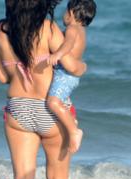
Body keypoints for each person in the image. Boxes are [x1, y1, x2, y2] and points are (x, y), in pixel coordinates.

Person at [0, 0, 86, 179]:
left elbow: (2, 77)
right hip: (50, 111)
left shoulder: (0, 30)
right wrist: (83, 67)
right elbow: (70, 66)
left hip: (18, 108)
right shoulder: (48, 28)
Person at [47, 0, 96, 153]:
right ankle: (69, 118)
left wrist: (58, 54)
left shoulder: (72, 29)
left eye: (65, 11)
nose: (63, 14)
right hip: (69, 76)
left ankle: (74, 130)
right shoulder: (81, 30)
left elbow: (67, 44)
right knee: (59, 100)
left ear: (72, 13)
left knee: (53, 102)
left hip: (65, 75)